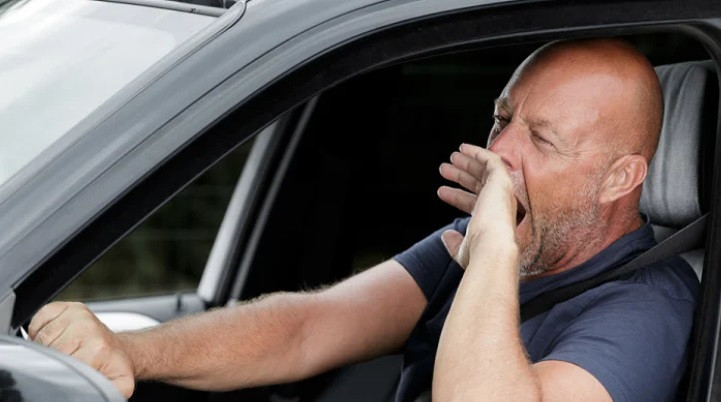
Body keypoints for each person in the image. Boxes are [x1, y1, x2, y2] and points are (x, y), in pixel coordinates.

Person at [28, 38, 699, 402]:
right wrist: (130, 353)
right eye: (501, 119)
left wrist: (493, 251)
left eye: (542, 140)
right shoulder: (486, 240)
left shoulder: (648, 310)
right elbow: (308, 327)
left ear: (620, 178)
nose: (498, 153)